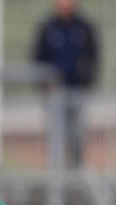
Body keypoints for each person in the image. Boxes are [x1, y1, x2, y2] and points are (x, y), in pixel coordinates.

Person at [33, 0, 98, 168]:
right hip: (55, 92)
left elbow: (93, 56)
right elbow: (38, 57)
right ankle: (55, 173)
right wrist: (44, 85)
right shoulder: (48, 28)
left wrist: (88, 81)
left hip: (77, 89)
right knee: (55, 135)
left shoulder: (84, 27)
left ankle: (76, 169)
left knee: (77, 134)